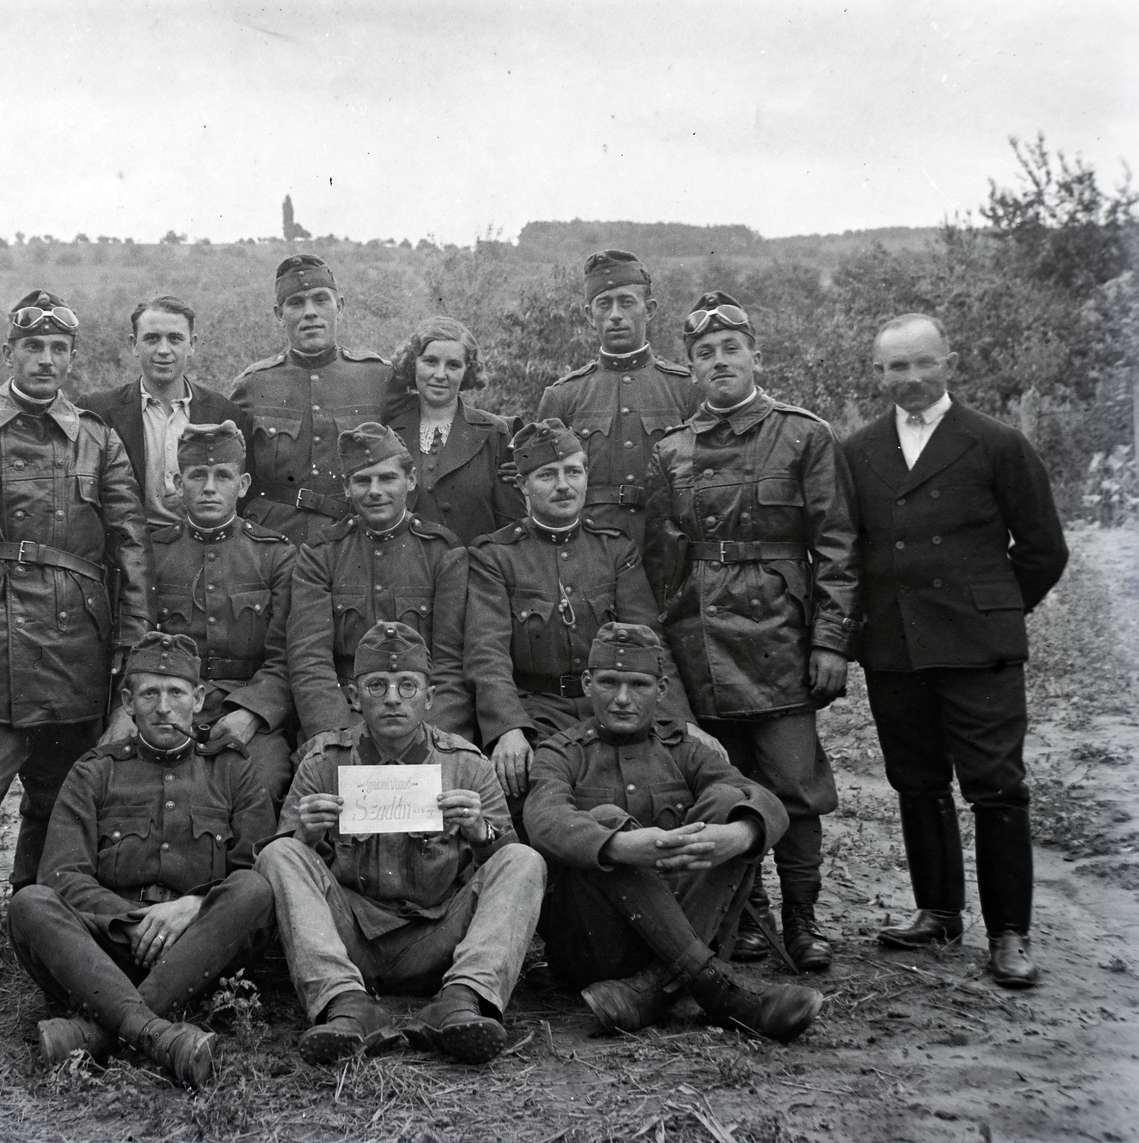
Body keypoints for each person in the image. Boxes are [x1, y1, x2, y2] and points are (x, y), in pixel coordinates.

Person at [0, 290, 152, 990]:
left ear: (73, 358)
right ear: (9, 353)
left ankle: (35, 927)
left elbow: (130, 549)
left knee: (58, 798)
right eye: (31, 348)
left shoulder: (99, 438)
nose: (45, 360)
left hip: (77, 646)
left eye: (58, 350)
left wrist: (128, 656)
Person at [842, 313, 1067, 988]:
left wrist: (989, 609)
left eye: (923, 363)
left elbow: (1043, 549)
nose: (911, 378)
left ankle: (1008, 933)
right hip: (896, 648)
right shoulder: (857, 451)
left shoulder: (997, 443)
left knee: (997, 786)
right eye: (895, 367)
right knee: (916, 780)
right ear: (876, 374)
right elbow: (848, 550)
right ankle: (939, 909)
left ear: (950, 362)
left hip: (979, 650)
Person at [643, 291, 859, 972]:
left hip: (782, 643)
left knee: (796, 787)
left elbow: (838, 546)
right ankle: (749, 919)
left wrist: (830, 640)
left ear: (755, 354)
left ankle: (802, 922)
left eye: (730, 348)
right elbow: (658, 561)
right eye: (704, 353)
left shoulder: (803, 436)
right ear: (691, 367)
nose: (719, 361)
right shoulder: (672, 450)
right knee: (723, 789)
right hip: (700, 644)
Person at [255, 622, 546, 1066]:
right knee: (279, 853)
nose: (393, 698)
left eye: (407, 686)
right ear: (354, 698)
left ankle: (461, 998)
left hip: (438, 939)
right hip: (351, 939)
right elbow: (285, 872)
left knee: (523, 860)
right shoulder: (322, 760)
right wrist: (305, 836)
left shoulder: (467, 765)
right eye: (377, 685)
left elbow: (502, 860)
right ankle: (347, 1004)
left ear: (429, 699)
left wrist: (478, 830)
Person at [523, 624, 823, 1041]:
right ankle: (719, 992)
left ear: (662, 688)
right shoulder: (561, 752)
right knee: (606, 818)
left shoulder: (684, 749)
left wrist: (738, 835)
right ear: (588, 684)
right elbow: (544, 820)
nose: (623, 699)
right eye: (609, 682)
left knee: (728, 800)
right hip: (597, 949)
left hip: (680, 922)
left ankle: (653, 988)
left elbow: (764, 800)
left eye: (639, 685)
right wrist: (620, 846)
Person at [8, 633, 276, 1087]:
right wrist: (134, 920)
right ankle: (157, 1033)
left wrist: (190, 908)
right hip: (107, 950)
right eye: (150, 694)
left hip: (197, 951)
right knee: (30, 902)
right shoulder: (96, 771)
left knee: (255, 891)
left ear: (199, 699)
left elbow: (251, 865)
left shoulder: (232, 770)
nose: (164, 707)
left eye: (176, 693)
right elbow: (63, 875)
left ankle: (101, 1031)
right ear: (128, 702)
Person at [463, 418, 694, 813]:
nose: (563, 485)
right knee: (532, 795)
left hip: (610, 707)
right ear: (522, 486)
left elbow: (650, 644)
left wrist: (684, 724)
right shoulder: (495, 556)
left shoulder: (615, 549)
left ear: (586, 477)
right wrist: (508, 728)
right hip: (536, 712)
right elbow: (488, 655)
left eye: (573, 472)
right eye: (546, 475)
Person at [131, 421, 298, 807]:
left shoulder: (275, 555)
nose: (209, 488)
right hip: (166, 708)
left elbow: (287, 656)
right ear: (176, 482)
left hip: (245, 710)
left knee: (263, 781)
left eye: (222, 476)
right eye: (197, 476)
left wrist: (251, 714)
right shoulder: (153, 553)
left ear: (241, 486)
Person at [287, 423, 473, 741]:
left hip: (426, 720)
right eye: (362, 480)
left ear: (410, 480)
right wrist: (337, 735)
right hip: (346, 714)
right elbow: (310, 659)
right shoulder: (320, 555)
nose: (375, 491)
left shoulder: (443, 552)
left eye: (387, 478)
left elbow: (450, 662)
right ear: (346, 488)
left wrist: (431, 739)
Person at [228, 254, 402, 546]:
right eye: (296, 303)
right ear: (278, 314)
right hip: (273, 540)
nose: (310, 313)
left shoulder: (379, 378)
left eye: (321, 300)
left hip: (355, 537)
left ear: (340, 307)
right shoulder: (252, 384)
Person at [535, 250, 701, 549]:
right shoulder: (563, 396)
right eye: (604, 304)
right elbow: (543, 489)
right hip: (591, 549)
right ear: (589, 315)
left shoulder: (686, 389)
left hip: (667, 546)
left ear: (648, 309)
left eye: (626, 302)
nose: (615, 315)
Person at [77, 296, 254, 529]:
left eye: (175, 338)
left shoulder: (224, 413)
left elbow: (238, 495)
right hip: (127, 549)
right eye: (151, 338)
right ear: (134, 344)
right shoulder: (99, 410)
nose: (163, 350)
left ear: (191, 345)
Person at [384, 316, 524, 546]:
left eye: (453, 365)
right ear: (413, 363)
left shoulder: (494, 433)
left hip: (476, 573)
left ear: (468, 371)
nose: (440, 375)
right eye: (430, 361)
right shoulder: (389, 431)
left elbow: (512, 526)